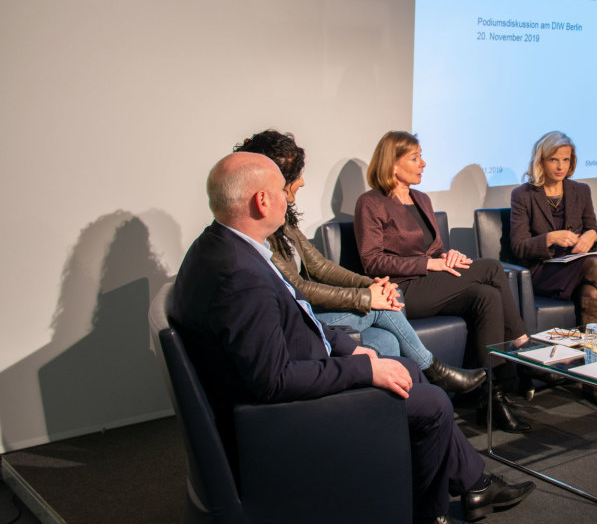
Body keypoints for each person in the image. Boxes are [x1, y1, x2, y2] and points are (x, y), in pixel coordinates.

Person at [169, 152, 534, 524]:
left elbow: (299, 321)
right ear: (262, 201)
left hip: (294, 380)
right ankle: (432, 511)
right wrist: (362, 369)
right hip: (279, 419)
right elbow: (272, 381)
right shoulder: (240, 276)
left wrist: (350, 348)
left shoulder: (220, 247)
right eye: (282, 189)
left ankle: (473, 483)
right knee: (434, 404)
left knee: (407, 366)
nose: (290, 195)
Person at [234, 130, 485, 395]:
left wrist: (372, 284)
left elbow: (320, 266)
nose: (303, 182)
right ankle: (433, 371)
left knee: (386, 335)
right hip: (300, 320)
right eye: (296, 176)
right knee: (385, 305)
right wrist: (365, 296)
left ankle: (397, 409)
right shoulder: (259, 232)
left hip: (306, 313)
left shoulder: (284, 222)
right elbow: (298, 287)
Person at [354, 131, 532, 434]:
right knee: (490, 267)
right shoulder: (371, 203)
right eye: (415, 157)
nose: (424, 163)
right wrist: (429, 263)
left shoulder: (421, 198)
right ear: (393, 165)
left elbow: (434, 250)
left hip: (430, 282)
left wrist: (446, 255)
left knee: (486, 296)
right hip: (401, 290)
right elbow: (372, 261)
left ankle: (491, 398)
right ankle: (521, 344)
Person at [510, 131, 597, 326]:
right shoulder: (523, 195)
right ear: (540, 161)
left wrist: (591, 236)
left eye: (566, 160)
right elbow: (519, 246)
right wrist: (550, 238)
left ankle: (595, 351)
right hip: (543, 272)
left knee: (591, 292)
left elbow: (594, 231)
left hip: (576, 266)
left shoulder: (581, 191)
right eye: (554, 159)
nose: (561, 166)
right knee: (594, 264)